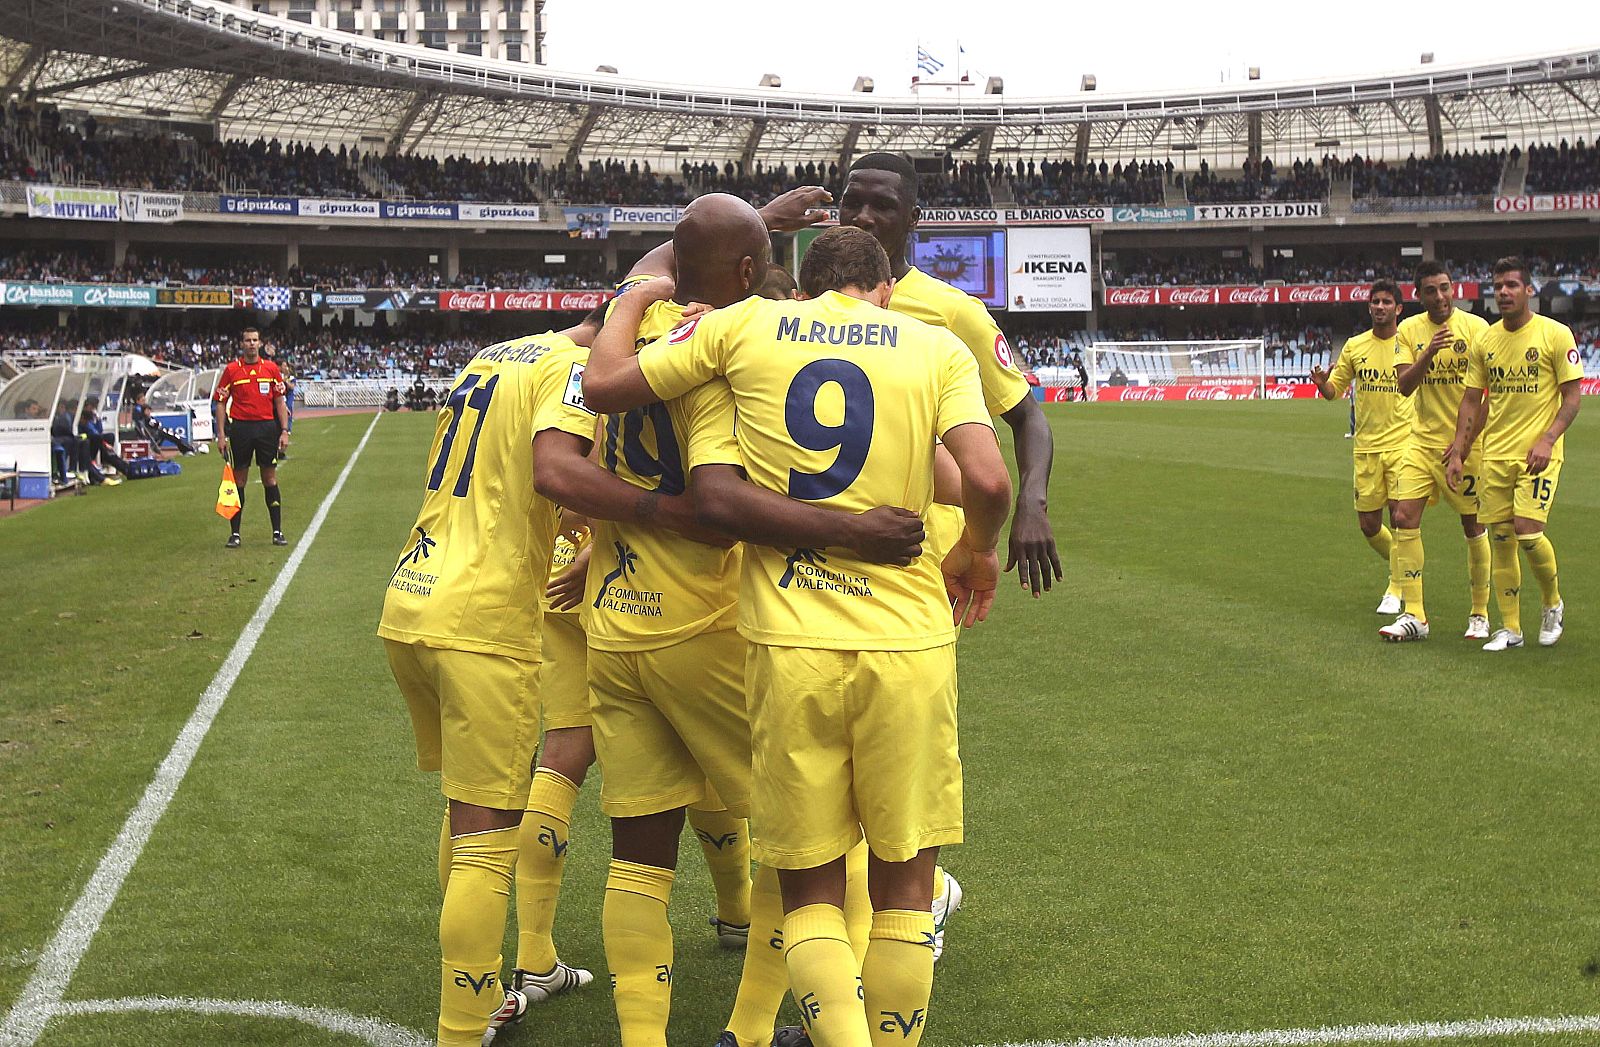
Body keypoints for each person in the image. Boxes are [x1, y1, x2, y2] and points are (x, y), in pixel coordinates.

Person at [584, 221, 1013, 1047]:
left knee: (810, 893)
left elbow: (606, 387)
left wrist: (641, 298)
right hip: (908, 645)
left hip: (788, 644)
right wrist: (978, 551)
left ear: (805, 285)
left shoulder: (745, 326)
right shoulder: (931, 346)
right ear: (883, 290)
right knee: (903, 890)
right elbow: (988, 480)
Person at [533, 193, 922, 1047]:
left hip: (615, 627)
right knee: (813, 844)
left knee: (639, 855)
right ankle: (762, 1028)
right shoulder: (723, 348)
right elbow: (726, 504)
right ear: (750, 270)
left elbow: (561, 463)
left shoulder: (625, 331)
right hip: (705, 626)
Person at [376, 312, 607, 1047]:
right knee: (487, 836)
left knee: (465, 809)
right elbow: (558, 476)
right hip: (483, 614)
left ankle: (490, 981)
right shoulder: (573, 369)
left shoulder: (494, 352)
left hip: (414, 591)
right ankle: (466, 1020)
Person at [838, 152, 1060, 598]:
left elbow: (1027, 417)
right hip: (818, 538)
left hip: (917, 550)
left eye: (882, 205)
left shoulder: (953, 312)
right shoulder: (805, 304)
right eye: (852, 202)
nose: (863, 217)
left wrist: (1032, 503)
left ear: (913, 218)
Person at [1446, 257, 1583, 651]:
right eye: (1498, 286)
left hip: (1538, 454)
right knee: (1502, 538)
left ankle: (1552, 604)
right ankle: (1511, 629)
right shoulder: (1485, 341)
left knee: (1528, 532)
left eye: (1511, 285)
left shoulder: (1555, 334)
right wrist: (1459, 451)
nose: (1503, 292)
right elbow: (1472, 400)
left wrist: (1548, 439)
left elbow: (1572, 398)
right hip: (1495, 455)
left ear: (1528, 290)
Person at [1385, 261, 1492, 642]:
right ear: (1419, 296)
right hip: (1421, 442)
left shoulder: (1477, 328)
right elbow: (1404, 386)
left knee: (1473, 525)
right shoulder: (1409, 330)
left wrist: (1463, 445)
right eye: (1431, 290)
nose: (1440, 296)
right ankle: (1415, 614)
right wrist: (1428, 352)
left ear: (1453, 288)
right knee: (1403, 516)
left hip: (1465, 445)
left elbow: (1487, 398)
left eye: (1445, 287)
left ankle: (1479, 613)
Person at [1310, 280, 1413, 616]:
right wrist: (1323, 384)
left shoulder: (1409, 344)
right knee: (1369, 526)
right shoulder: (1355, 346)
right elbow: (1334, 391)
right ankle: (1406, 566)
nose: (1380, 307)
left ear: (1399, 308)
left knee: (1401, 518)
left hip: (1403, 444)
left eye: (1386, 302)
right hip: (1366, 447)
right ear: (1369, 307)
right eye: (1375, 302)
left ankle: (1396, 587)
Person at [213, 327, 289, 548]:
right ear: (242, 344)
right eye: (247, 340)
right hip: (241, 430)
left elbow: (280, 401)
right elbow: (220, 403)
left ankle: (277, 531)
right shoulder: (231, 370)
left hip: (267, 429)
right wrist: (221, 435)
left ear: (260, 343)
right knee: (239, 481)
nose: (251, 344)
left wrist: (284, 431)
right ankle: (235, 534)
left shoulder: (271, 368)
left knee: (270, 479)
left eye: (255, 340)